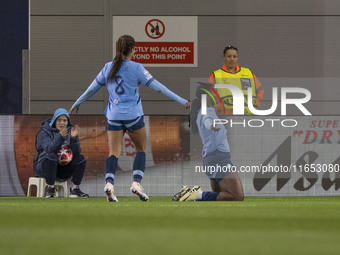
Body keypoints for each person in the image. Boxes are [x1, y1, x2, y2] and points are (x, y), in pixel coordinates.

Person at [69, 35, 190, 202]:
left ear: (117, 49)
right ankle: (136, 183)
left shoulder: (108, 68)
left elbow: (91, 89)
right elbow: (159, 88)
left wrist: (76, 103)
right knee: (140, 150)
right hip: (133, 116)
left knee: (113, 153)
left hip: (114, 116)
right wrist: (182, 100)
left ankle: (110, 184)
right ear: (133, 50)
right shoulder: (137, 68)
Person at [174, 85, 244, 201]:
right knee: (237, 196)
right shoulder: (206, 112)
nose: (217, 95)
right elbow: (207, 120)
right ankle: (194, 195)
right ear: (207, 96)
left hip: (213, 157)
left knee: (220, 196)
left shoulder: (203, 111)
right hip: (218, 158)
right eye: (214, 92)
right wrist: (211, 125)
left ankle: (193, 195)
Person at [34, 108, 89, 198]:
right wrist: (60, 137)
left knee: (81, 159)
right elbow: (49, 149)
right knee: (52, 156)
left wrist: (74, 139)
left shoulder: (70, 132)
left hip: (61, 169)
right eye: (59, 120)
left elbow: (76, 152)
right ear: (54, 120)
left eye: (65, 120)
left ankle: (74, 189)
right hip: (44, 168)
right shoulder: (44, 132)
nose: (62, 123)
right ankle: (50, 189)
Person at [209, 45, 264, 115]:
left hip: (249, 116)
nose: (232, 59)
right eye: (229, 56)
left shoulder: (248, 72)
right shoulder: (216, 75)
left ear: (237, 58)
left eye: (234, 56)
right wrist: (220, 109)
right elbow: (209, 96)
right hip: (227, 117)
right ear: (224, 57)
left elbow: (260, 89)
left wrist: (256, 103)